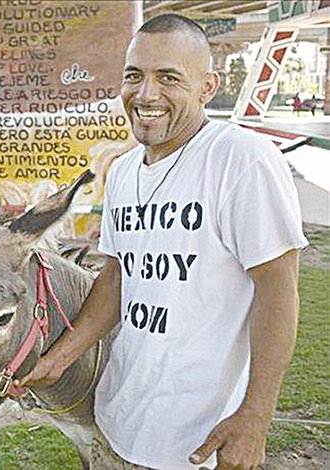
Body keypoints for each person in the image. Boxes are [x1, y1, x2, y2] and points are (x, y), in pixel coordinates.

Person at [18, 14, 307, 469]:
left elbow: (278, 292)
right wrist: (63, 356)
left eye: (168, 77)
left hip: (203, 441)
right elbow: (117, 276)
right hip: (119, 419)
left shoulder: (241, 159)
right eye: (135, 76)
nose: (146, 94)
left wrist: (255, 418)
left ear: (207, 87)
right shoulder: (124, 171)